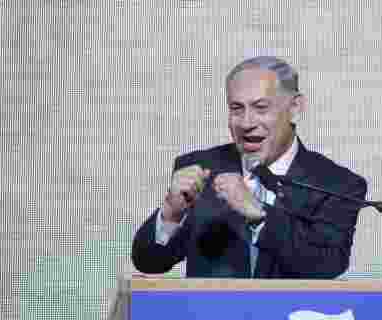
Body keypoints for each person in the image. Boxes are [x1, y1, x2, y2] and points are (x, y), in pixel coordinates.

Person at [131, 56, 367, 278]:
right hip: (211, 319)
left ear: (295, 108)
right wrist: (171, 213)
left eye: (261, 107)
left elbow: (328, 265)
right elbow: (150, 263)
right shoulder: (201, 168)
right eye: (236, 108)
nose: (246, 123)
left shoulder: (337, 184)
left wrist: (260, 215)